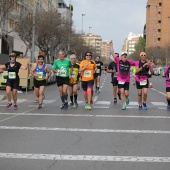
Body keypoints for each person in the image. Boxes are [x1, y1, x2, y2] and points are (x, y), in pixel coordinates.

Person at [110, 41, 135, 110]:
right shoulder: (118, 61)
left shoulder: (129, 62)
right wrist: (111, 46)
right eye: (123, 56)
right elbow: (112, 53)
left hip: (126, 80)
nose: (124, 57)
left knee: (126, 93)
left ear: (126, 57)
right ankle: (123, 105)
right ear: (121, 57)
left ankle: (127, 98)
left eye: (125, 56)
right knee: (122, 92)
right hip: (120, 80)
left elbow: (137, 63)